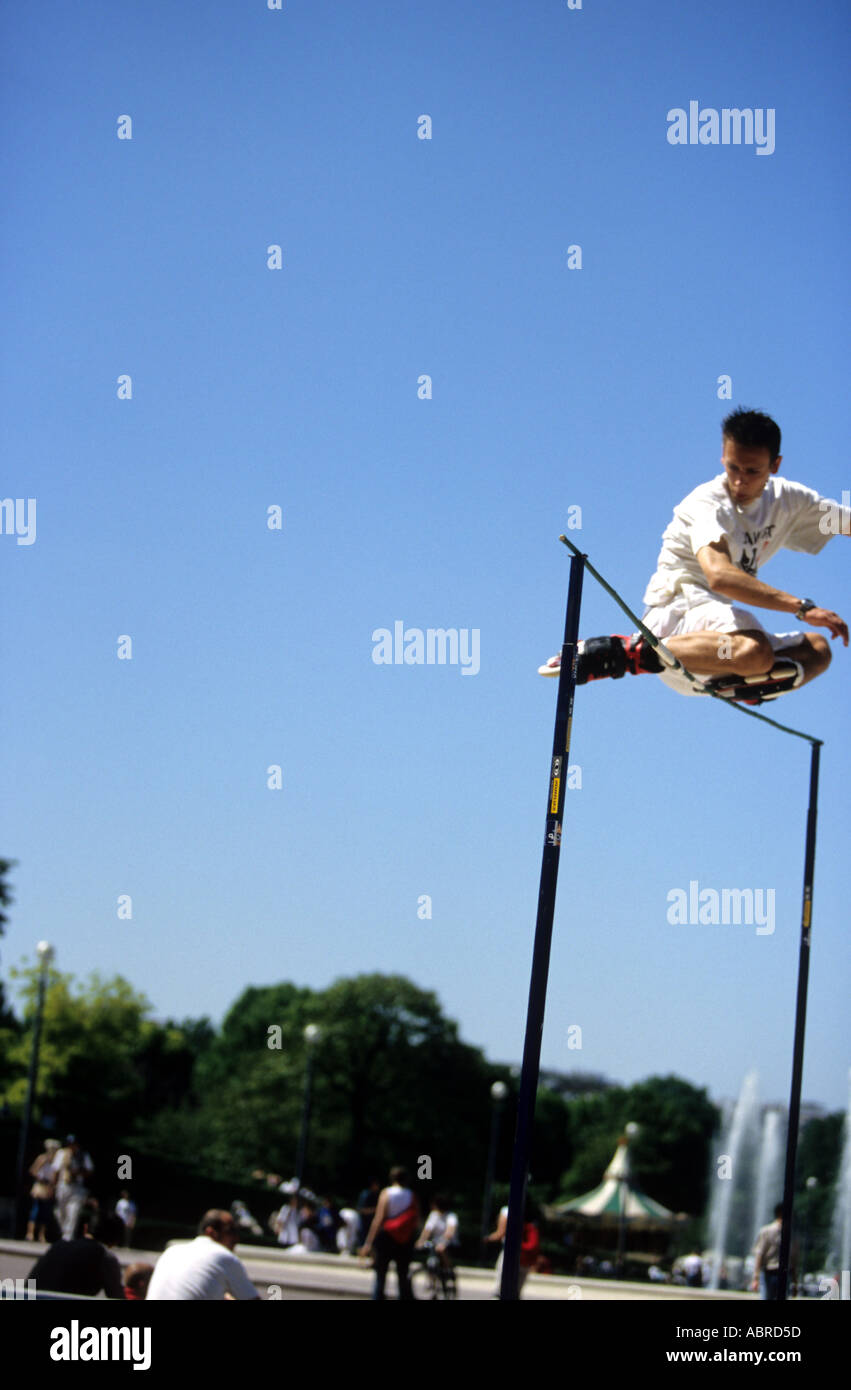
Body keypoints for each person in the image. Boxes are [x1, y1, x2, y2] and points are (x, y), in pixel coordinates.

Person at [541, 409, 849, 705]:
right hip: (678, 620)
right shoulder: (709, 503)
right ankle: (626, 653)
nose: (740, 481)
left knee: (817, 651)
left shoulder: (790, 502)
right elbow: (720, 576)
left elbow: (845, 523)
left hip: (712, 657)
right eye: (733, 468)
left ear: (775, 465)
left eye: (752, 471)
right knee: (755, 651)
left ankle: (745, 685)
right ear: (723, 458)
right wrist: (801, 607)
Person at [145, 1209, 260, 1300]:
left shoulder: (171, 1251)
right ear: (211, 1232)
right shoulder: (223, 1255)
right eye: (231, 1231)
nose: (236, 1238)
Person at [28, 1202, 124, 1299]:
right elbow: (116, 1296)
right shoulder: (105, 1257)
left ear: (85, 1228)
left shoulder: (57, 1246)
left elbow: (29, 1284)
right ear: (115, 1241)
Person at [359, 1166, 420, 1301]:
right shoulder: (411, 1195)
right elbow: (416, 1220)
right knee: (403, 1277)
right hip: (405, 1240)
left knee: (380, 1277)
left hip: (386, 1238)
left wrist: (368, 1242)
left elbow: (379, 1219)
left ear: (392, 1178)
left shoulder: (387, 1193)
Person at [50, 1135, 94, 1241]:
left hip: (77, 1187)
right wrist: (53, 1185)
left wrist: (79, 1173)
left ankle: (68, 1237)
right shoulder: (61, 1153)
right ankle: (65, 1231)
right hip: (63, 1185)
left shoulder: (83, 1155)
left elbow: (90, 1170)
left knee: (73, 1211)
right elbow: (55, 1170)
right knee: (60, 1211)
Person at [416, 1194, 459, 1285]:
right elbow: (427, 1230)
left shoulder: (451, 1216)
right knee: (431, 1255)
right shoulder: (433, 1215)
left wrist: (443, 1241)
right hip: (435, 1242)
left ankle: (448, 1270)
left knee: (441, 1249)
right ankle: (432, 1280)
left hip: (448, 1243)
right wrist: (421, 1240)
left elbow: (450, 1231)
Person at [26, 1138, 60, 1242]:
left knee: (46, 1213)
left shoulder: (56, 1162)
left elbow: (56, 1177)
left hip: (48, 1189)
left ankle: (41, 1235)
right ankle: (30, 1233)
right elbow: (33, 1171)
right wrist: (43, 1180)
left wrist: (52, 1186)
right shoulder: (42, 1158)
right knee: (35, 1210)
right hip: (40, 1187)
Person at [751, 1204, 784, 1300]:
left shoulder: (791, 1233)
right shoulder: (767, 1231)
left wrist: (794, 1280)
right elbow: (759, 1254)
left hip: (784, 1273)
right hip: (769, 1272)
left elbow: (794, 1257)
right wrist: (755, 1277)